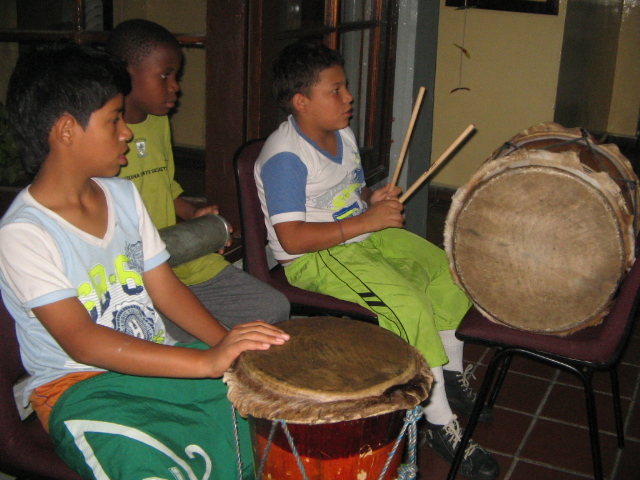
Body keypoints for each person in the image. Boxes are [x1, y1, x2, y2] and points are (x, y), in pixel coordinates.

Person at [0, 42, 289, 479]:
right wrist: (206, 363)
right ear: (66, 130)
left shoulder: (122, 195)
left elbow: (166, 288)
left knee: (270, 419)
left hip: (158, 360)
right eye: (114, 119)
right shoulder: (25, 233)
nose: (127, 133)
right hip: (82, 388)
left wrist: (227, 350)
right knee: (153, 466)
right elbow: (82, 342)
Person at [254, 39, 499, 480]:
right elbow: (291, 237)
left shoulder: (342, 133)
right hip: (316, 257)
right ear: (301, 102)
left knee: (449, 271)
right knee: (408, 307)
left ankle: (450, 374)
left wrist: (372, 200)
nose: (349, 97)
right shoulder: (285, 157)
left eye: (345, 87)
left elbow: (350, 192)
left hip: (360, 235)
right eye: (336, 90)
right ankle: (437, 420)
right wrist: (366, 220)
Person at [105, 19, 290, 342]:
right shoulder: (103, 137)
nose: (175, 87)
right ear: (125, 73)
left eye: (175, 76)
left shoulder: (158, 122)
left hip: (180, 259)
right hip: (138, 272)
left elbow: (164, 187)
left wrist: (192, 215)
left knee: (272, 308)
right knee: (183, 331)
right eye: (165, 75)